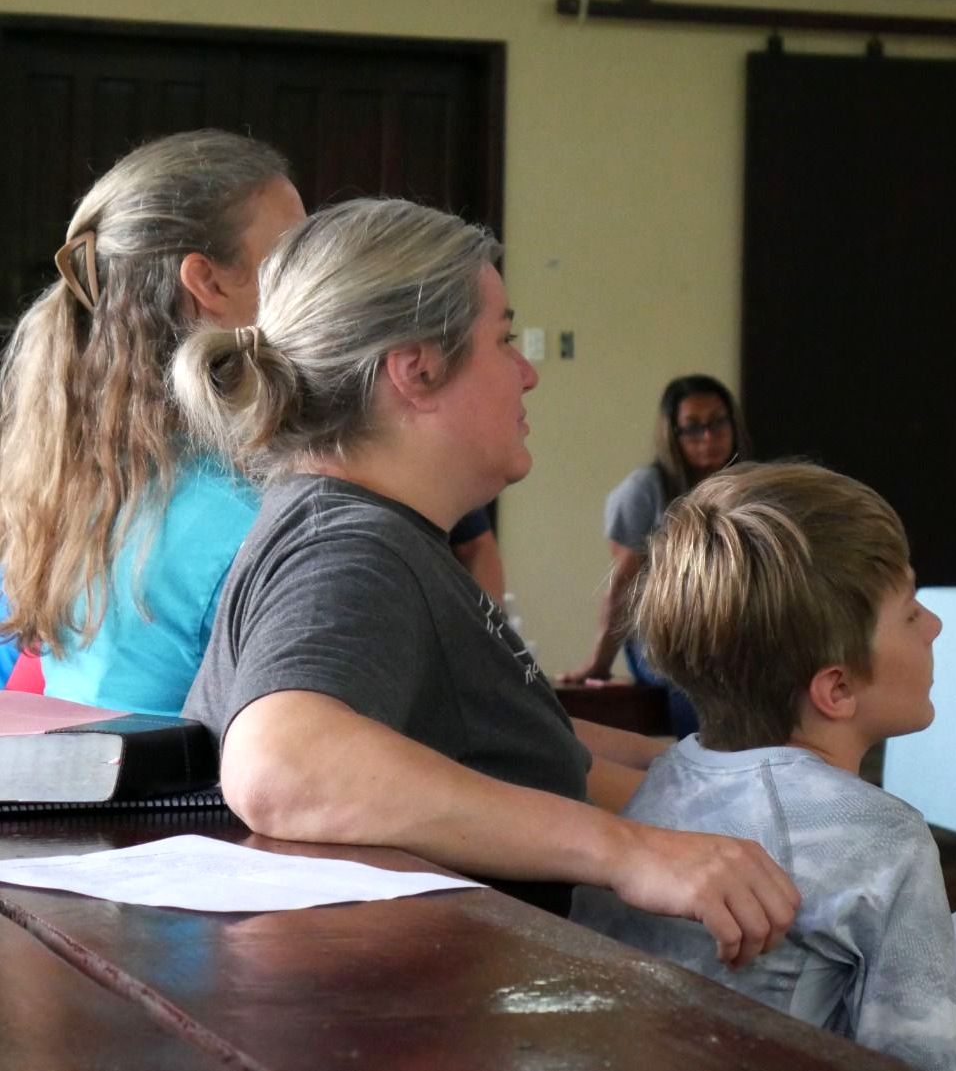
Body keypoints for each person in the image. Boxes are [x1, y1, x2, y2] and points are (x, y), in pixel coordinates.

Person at [172, 197, 799, 953]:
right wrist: (623, 850)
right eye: (502, 339)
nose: (528, 372)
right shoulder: (353, 550)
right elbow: (281, 763)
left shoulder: (369, 531)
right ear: (418, 371)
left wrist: (707, 769)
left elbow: (493, 738)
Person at [571, 462, 956, 1071]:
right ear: (835, 690)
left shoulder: (639, 806)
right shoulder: (883, 838)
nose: (936, 626)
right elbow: (923, 1059)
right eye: (912, 611)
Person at [0, 130, 305, 713]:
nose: (315, 279)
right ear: (207, 282)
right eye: (293, 254)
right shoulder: (243, 524)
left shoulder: (74, 480)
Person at [561, 374, 751, 737]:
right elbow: (624, 583)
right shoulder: (645, 489)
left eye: (717, 423)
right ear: (673, 435)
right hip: (666, 633)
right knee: (694, 681)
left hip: (735, 626)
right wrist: (598, 663)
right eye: (693, 429)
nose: (708, 438)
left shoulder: (749, 485)